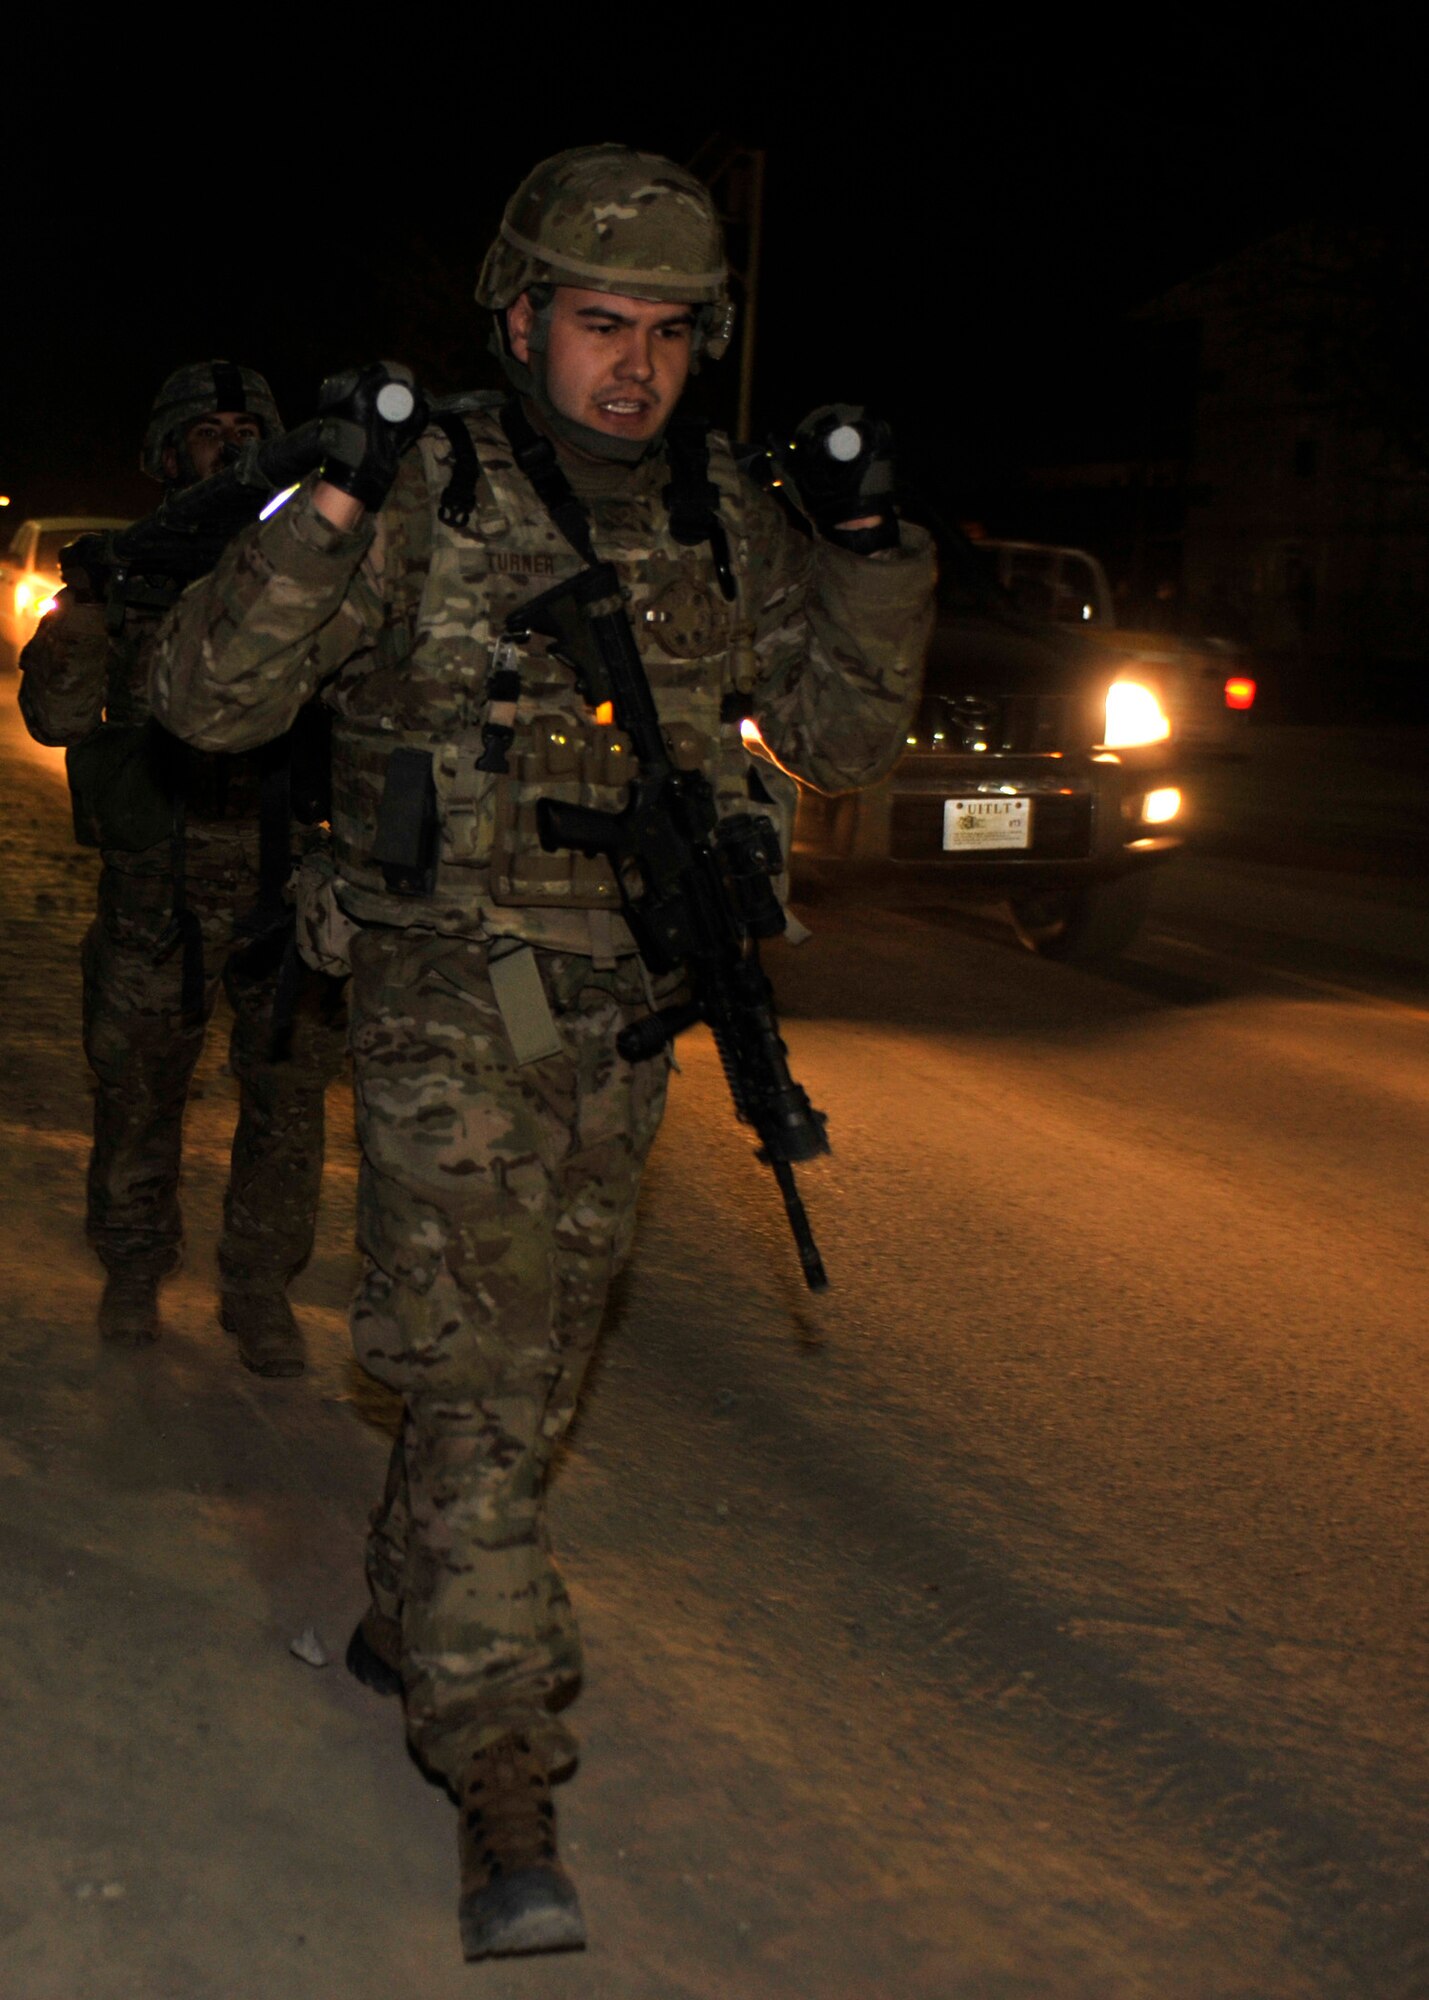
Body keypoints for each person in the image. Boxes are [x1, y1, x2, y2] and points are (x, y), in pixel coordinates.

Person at [149, 147, 936, 1960]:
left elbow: (838, 742)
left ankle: (402, 1610)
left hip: (625, 1012)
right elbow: (206, 701)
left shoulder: (722, 516)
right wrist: (324, 507)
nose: (634, 365)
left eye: (666, 331)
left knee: (529, 1353)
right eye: (600, 323)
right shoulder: (422, 491)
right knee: (490, 1371)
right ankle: (502, 1764)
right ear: (520, 322)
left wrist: (871, 556)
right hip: (447, 998)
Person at [18, 361, 347, 1375]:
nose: (233, 446)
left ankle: (258, 1288)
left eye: (251, 429)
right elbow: (54, 720)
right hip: (157, 885)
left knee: (288, 1100)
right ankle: (132, 1264)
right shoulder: (132, 574)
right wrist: (87, 609)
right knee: (137, 1086)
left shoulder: (321, 573)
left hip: (285, 882)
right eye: (211, 431)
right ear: (167, 454)